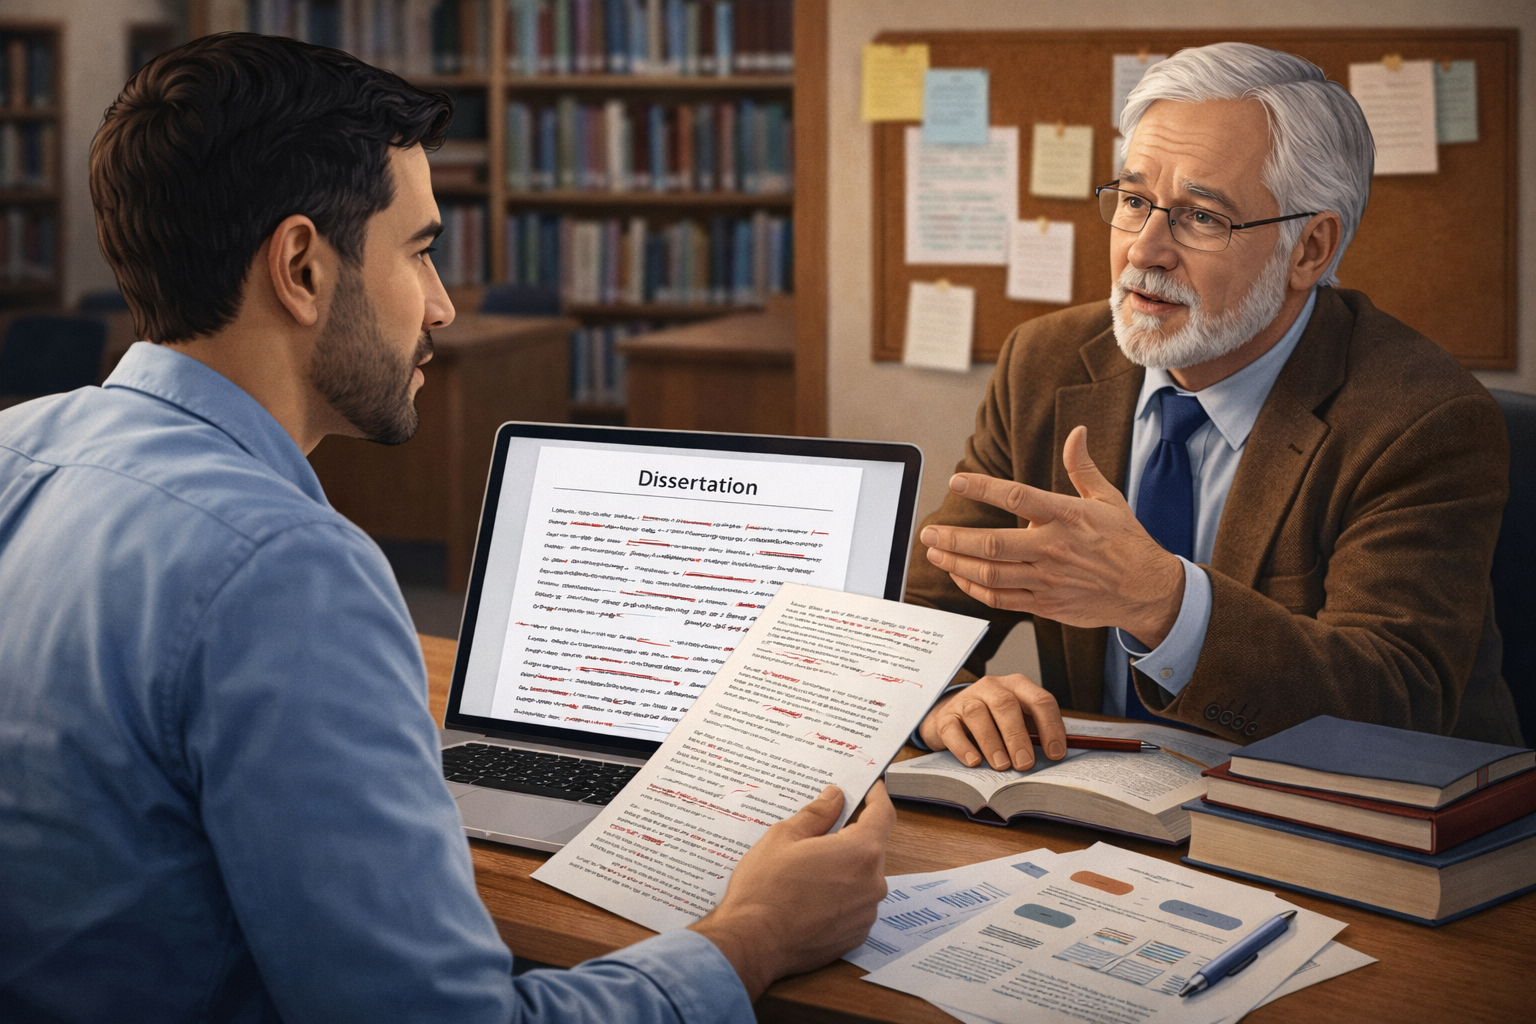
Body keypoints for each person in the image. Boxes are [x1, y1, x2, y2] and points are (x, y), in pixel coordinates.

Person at [0, 33, 893, 1023]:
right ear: (301, 265)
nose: (443, 306)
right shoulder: (288, 574)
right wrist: (754, 934)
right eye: (420, 252)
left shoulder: (15, 450)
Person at [907, 41, 1520, 775]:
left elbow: (1396, 703)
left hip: (1352, 834)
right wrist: (940, 695)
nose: (1145, 250)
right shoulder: (1045, 364)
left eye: (1200, 217)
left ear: (1310, 249)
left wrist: (1165, 605)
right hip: (1095, 821)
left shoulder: (1421, 419)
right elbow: (914, 622)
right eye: (1134, 202)